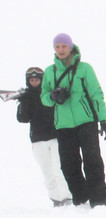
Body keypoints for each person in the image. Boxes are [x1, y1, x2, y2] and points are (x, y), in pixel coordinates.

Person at [41, 34, 106, 207]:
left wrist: (102, 119)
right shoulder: (50, 72)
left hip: (86, 120)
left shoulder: (85, 68)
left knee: (92, 160)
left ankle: (99, 200)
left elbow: (96, 93)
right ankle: (81, 199)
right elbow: (43, 98)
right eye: (57, 47)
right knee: (68, 164)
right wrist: (52, 96)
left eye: (64, 46)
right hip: (63, 124)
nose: (61, 50)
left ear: (71, 47)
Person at [16, 66, 71, 206]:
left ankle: (67, 197)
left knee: (60, 169)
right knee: (47, 173)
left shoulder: (49, 93)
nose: (35, 82)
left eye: (37, 80)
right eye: (32, 80)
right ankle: (56, 199)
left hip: (55, 136)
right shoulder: (26, 97)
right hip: (38, 139)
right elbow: (22, 118)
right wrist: (22, 102)